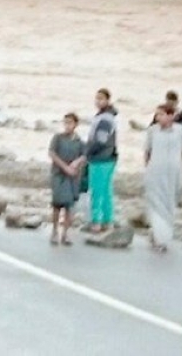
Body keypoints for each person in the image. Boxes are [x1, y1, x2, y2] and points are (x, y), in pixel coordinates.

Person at [144, 102, 182, 252]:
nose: (158, 117)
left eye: (162, 114)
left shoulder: (180, 131)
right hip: (155, 171)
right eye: (157, 114)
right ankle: (157, 237)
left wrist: (181, 169)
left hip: (173, 173)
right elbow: (147, 151)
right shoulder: (152, 131)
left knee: (169, 202)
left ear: (171, 116)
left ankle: (163, 235)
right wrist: (148, 169)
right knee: (156, 202)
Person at [49, 112, 87, 245]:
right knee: (57, 204)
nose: (67, 125)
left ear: (75, 125)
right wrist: (65, 167)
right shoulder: (58, 138)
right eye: (65, 122)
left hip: (73, 176)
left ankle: (66, 233)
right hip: (59, 175)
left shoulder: (80, 142)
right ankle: (54, 231)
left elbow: (85, 155)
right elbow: (52, 153)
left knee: (69, 205)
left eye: (70, 123)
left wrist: (76, 163)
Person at [86, 87, 118, 233]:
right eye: (97, 98)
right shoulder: (108, 116)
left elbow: (101, 140)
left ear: (107, 100)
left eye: (101, 98)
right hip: (109, 158)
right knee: (106, 191)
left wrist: (87, 153)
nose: (98, 101)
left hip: (100, 158)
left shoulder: (105, 118)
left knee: (97, 191)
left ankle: (96, 221)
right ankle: (107, 220)